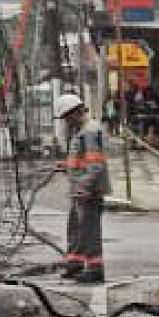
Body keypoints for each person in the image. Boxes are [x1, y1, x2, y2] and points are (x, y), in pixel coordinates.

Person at [55, 88, 110, 286]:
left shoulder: (91, 131)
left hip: (88, 191)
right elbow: (83, 161)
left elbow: (95, 165)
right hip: (79, 190)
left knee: (89, 231)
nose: (66, 122)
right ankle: (75, 263)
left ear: (75, 112)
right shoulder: (82, 132)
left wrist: (85, 187)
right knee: (76, 228)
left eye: (67, 117)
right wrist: (66, 165)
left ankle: (95, 269)